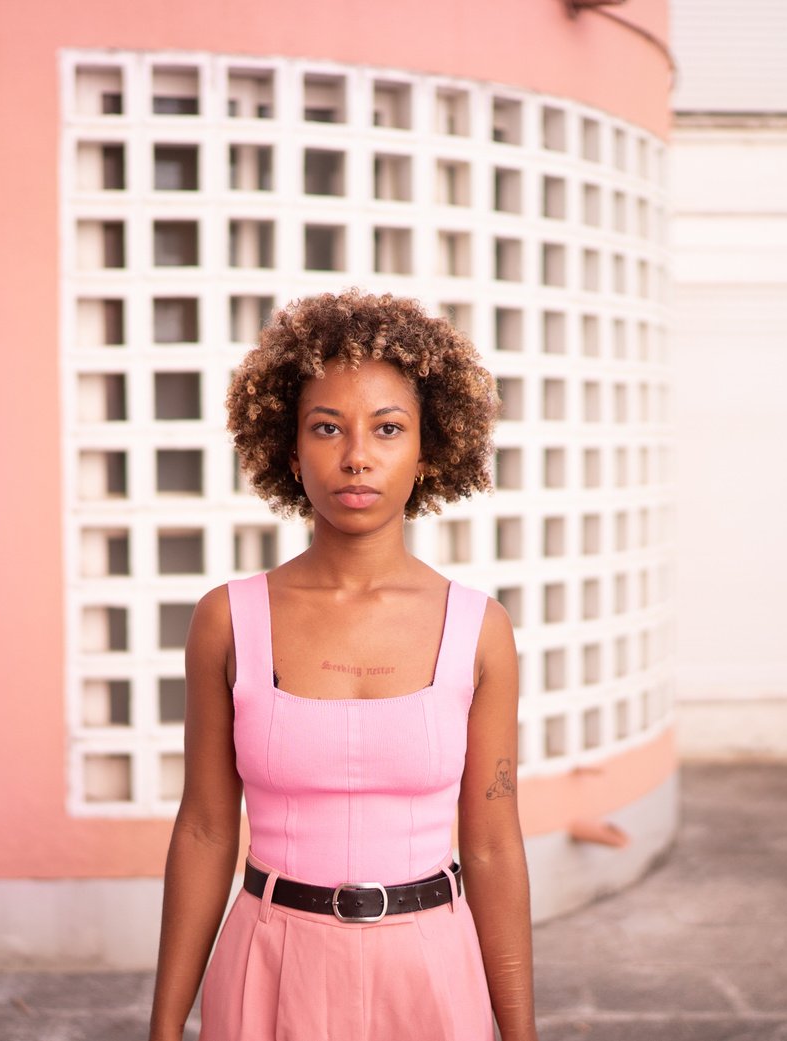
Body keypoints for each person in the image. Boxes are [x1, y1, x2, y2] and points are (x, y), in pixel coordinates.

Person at [147, 290, 537, 1041]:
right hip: (270, 966)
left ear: (427, 452)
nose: (356, 454)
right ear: (291, 452)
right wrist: (165, 1026)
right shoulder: (227, 619)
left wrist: (519, 1032)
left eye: (387, 429)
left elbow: (491, 843)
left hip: (430, 972)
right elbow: (202, 828)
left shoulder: (479, 629)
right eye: (327, 427)